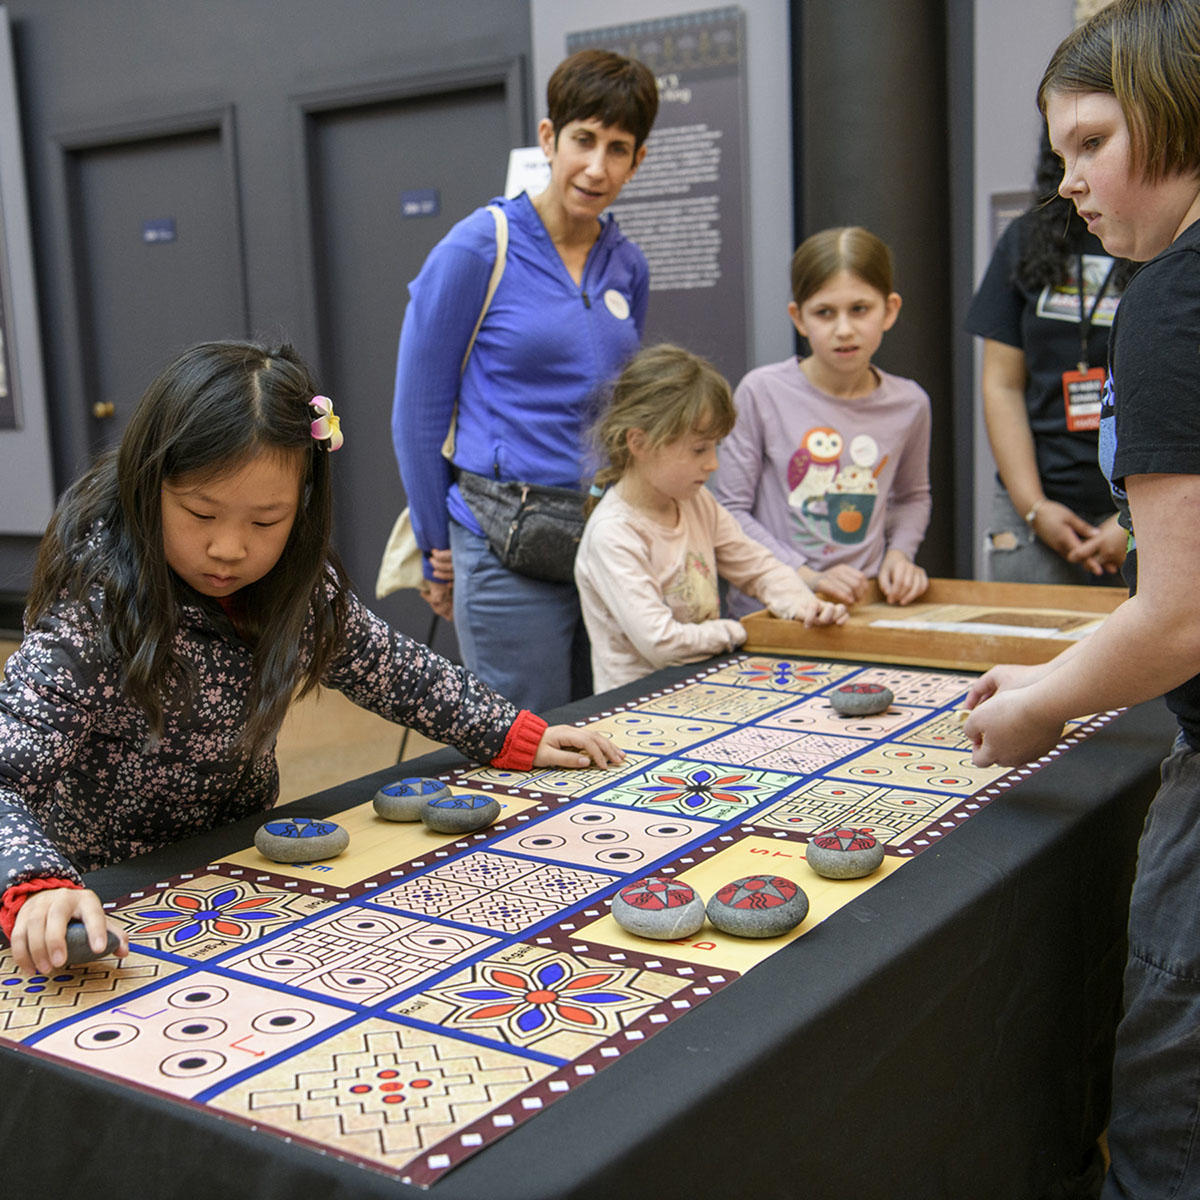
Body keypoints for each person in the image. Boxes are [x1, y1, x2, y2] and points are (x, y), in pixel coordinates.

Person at [0, 340, 622, 978]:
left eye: (266, 522)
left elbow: (393, 668)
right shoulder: (95, 607)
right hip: (102, 887)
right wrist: (36, 885)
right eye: (200, 512)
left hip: (235, 863)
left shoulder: (295, 586)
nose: (228, 548)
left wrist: (508, 731)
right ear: (146, 482)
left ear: (302, 509)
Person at [963, 3, 1200, 1196]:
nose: (1073, 185)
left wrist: (1044, 707)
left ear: (1170, 117)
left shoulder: (1171, 296)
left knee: (1167, 1135)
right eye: (1059, 156)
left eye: (1093, 143)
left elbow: (1185, 615)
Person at [391, 48, 658, 712]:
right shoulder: (478, 247)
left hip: (602, 539)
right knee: (525, 742)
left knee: (611, 731)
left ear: (638, 160)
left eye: (618, 149)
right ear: (549, 138)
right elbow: (418, 413)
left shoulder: (629, 266)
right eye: (583, 141)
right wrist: (433, 546)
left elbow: (626, 406)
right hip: (502, 542)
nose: (597, 167)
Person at [575, 344, 847, 692]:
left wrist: (803, 606)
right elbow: (661, 645)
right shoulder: (613, 532)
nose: (713, 464)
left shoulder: (697, 501)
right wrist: (741, 631)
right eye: (699, 449)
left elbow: (758, 566)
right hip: (637, 709)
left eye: (715, 447)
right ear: (639, 443)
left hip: (703, 691)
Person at [711, 226, 932, 614]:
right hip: (771, 610)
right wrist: (805, 574)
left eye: (860, 309)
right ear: (798, 318)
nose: (843, 329)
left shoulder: (910, 403)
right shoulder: (761, 392)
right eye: (825, 313)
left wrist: (899, 555)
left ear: (890, 310)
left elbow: (912, 496)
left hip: (862, 607)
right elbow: (729, 510)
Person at [965, 131, 1133, 585]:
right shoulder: (1025, 238)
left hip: (1145, 509)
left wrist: (1132, 518)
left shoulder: (1162, 244)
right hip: (1035, 510)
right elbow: (1002, 384)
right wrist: (1034, 507)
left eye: (1096, 142)